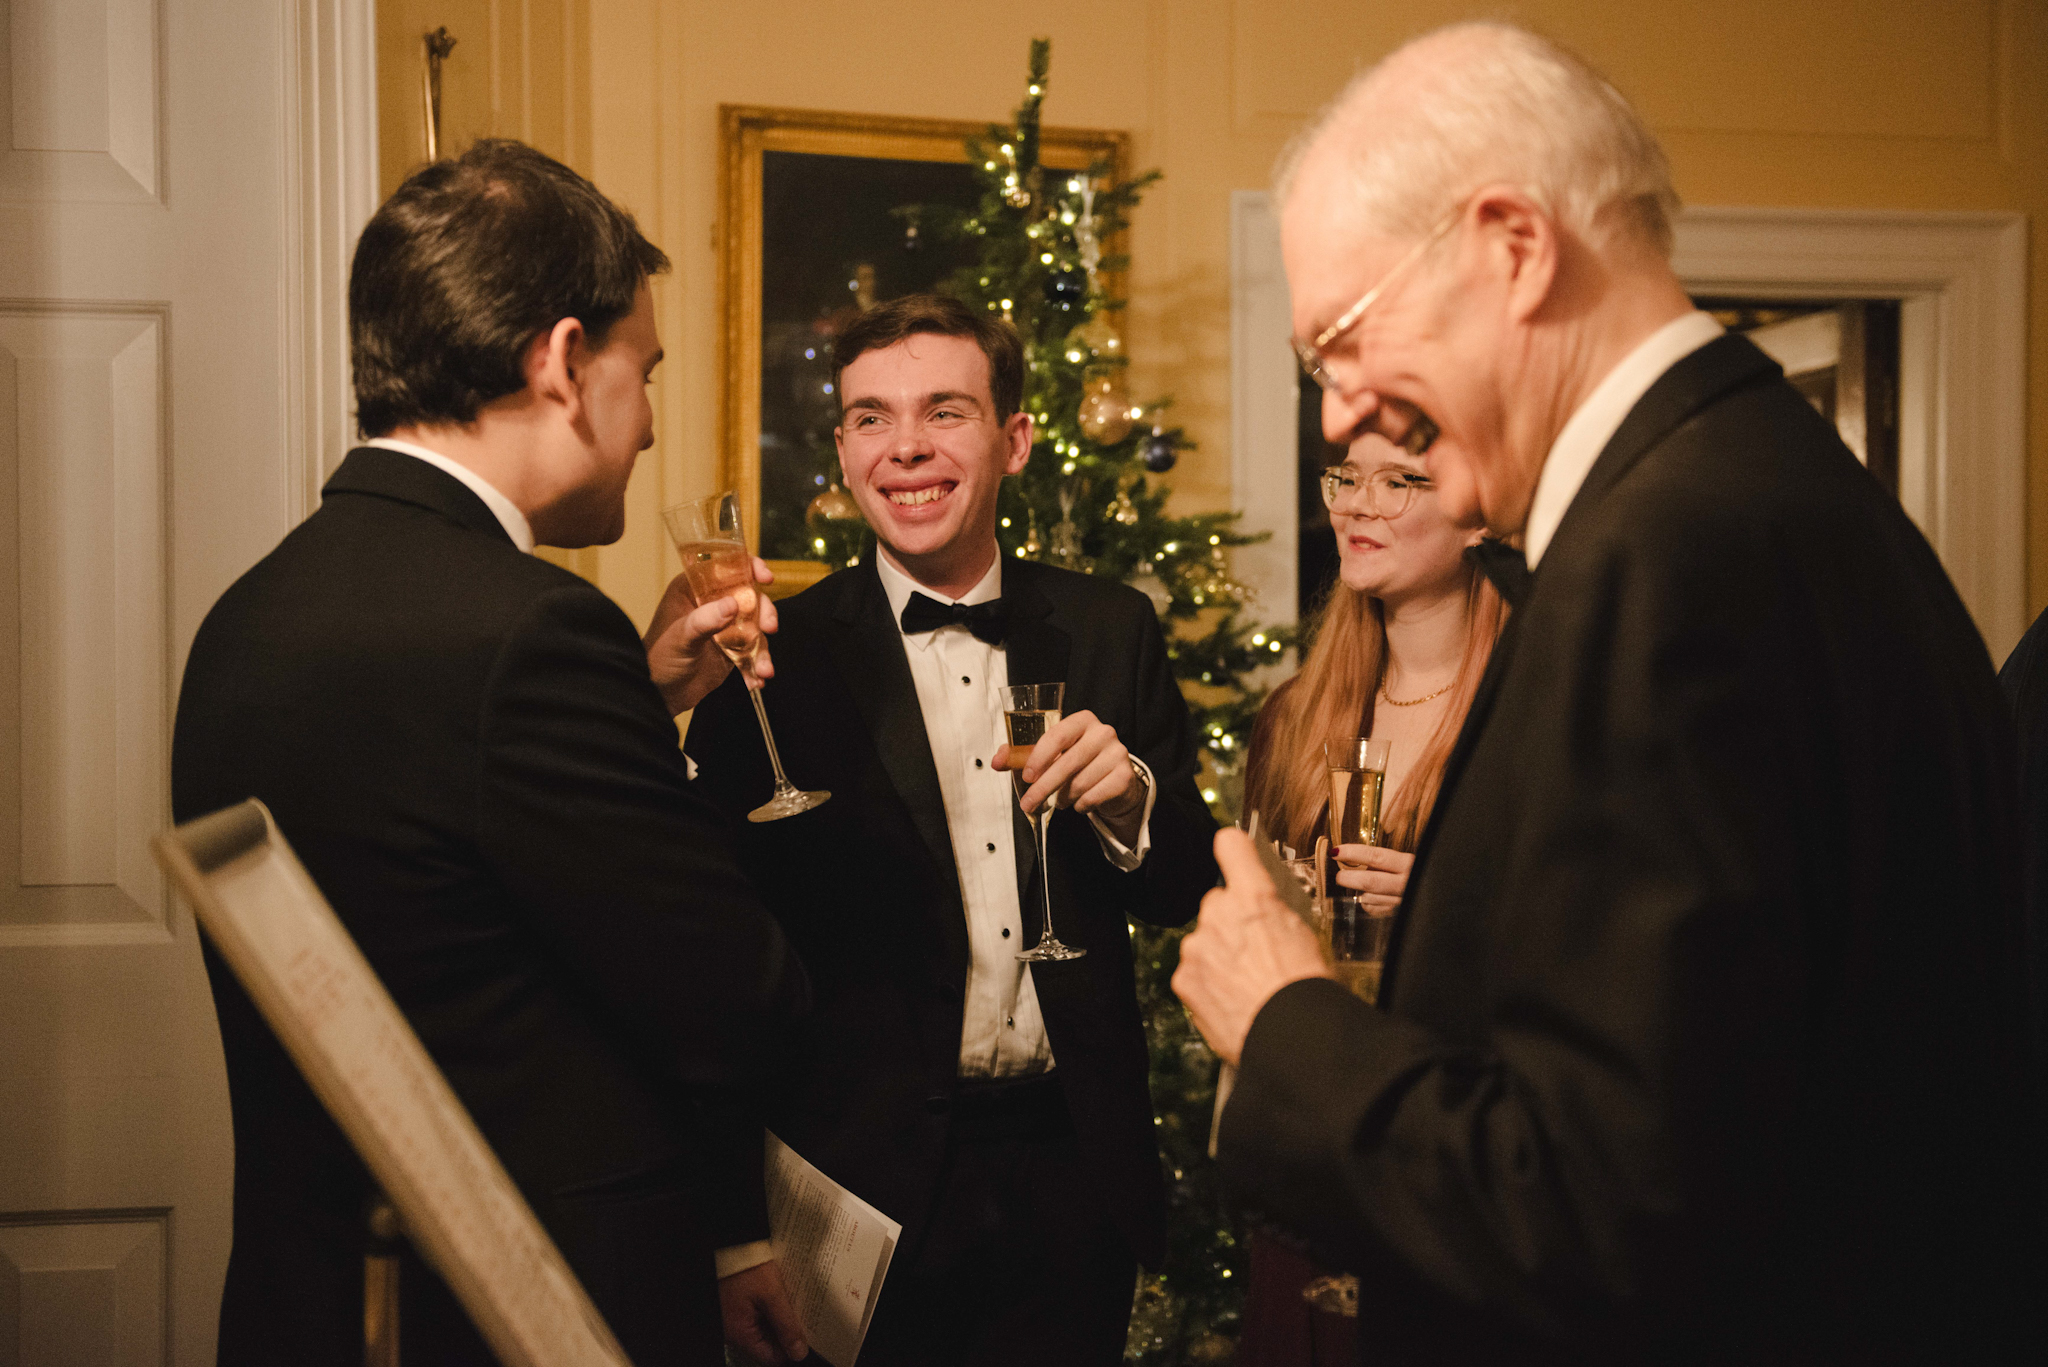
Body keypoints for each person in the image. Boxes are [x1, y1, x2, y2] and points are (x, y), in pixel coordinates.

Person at [1172, 22, 2044, 1364]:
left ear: (1513, 248)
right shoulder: (1775, 490)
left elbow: (1600, 1217)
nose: (1337, 415)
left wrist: (1285, 1024)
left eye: (1341, 340)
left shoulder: (1667, 562)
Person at [173, 140, 811, 1367]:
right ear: (562, 363)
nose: (650, 423)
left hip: (313, 1301)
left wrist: (632, 703)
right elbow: (743, 1002)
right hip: (520, 1316)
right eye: (644, 370)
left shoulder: (246, 616)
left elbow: (441, 897)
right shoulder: (532, 632)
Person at [686, 293, 1218, 1365]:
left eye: (944, 411)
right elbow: (712, 974)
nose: (906, 447)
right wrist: (734, 1229)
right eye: (871, 418)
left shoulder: (1109, 625)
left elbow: (1186, 890)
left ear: (1013, 439)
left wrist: (1129, 804)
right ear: (844, 453)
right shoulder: (768, 661)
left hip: (1072, 1176)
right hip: (856, 1189)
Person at [1235, 432, 1504, 1365]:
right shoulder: (1293, 716)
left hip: (1450, 1160)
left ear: (1478, 514)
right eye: (1346, 477)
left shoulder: (1523, 719)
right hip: (1311, 1144)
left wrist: (1440, 904)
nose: (1356, 503)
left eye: (1398, 481)